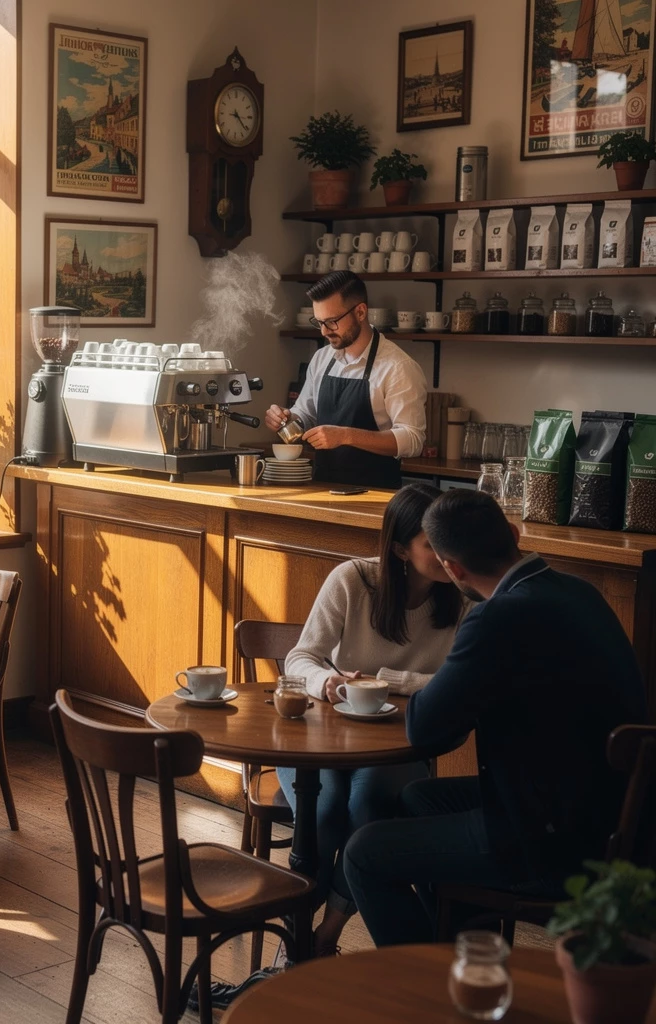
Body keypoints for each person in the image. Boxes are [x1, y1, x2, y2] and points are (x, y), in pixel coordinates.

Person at [344, 489, 647, 947]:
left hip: (554, 840)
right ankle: (463, 953)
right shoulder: (579, 591)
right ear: (513, 533)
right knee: (418, 798)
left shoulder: (497, 617)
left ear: (453, 569)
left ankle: (426, 985)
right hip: (618, 815)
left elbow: (423, 727)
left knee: (362, 853)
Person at [276, 483, 465, 957]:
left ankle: (324, 937)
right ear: (400, 549)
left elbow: (458, 685)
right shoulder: (353, 581)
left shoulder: (463, 598)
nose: (448, 554)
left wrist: (387, 679)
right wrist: (328, 684)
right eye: (432, 544)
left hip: (399, 742)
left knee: (366, 813)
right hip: (321, 737)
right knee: (322, 813)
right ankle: (295, 943)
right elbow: (300, 658)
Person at [264, 271, 427, 489]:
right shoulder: (322, 358)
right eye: (319, 322)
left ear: (360, 312)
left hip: (375, 494)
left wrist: (346, 435)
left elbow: (412, 440)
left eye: (332, 322)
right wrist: (286, 418)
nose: (324, 332)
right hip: (321, 489)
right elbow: (306, 413)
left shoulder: (398, 367)